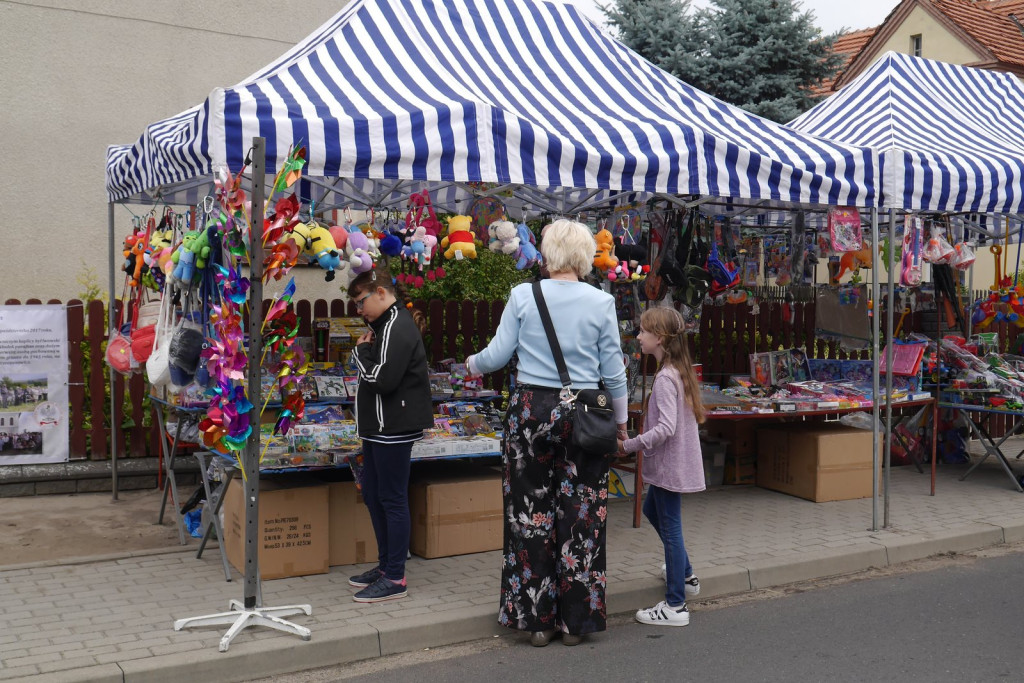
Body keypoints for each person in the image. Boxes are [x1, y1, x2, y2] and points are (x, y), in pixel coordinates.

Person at [466, 219, 628, 647]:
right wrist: (623, 419)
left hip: (531, 411)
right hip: (587, 412)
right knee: (582, 515)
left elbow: (498, 354)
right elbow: (614, 370)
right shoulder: (601, 301)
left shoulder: (524, 294)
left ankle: (537, 621)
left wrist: (471, 364)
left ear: (547, 252)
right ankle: (578, 622)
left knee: (529, 515)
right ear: (583, 254)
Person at [345, 267, 433, 603]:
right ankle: (385, 566)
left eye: (361, 301)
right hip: (378, 428)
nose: (359, 309)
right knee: (372, 492)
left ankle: (395, 577)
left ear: (381, 293)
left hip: (393, 427)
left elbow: (383, 379)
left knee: (392, 498)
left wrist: (359, 353)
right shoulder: (384, 324)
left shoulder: (397, 326)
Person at [618, 306, 707, 627]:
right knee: (653, 511)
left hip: (670, 468)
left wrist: (630, 444)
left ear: (660, 338)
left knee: (671, 530)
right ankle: (685, 575)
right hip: (671, 466)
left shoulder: (668, 377)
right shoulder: (673, 370)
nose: (638, 336)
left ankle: (675, 605)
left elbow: (667, 427)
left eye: (643, 331)